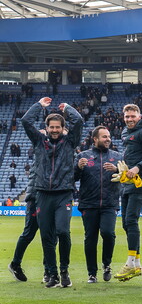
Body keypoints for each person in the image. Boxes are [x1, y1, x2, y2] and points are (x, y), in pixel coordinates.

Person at [21, 97, 84, 288]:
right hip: (43, 194)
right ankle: (53, 274)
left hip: (63, 193)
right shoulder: (39, 141)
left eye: (58, 127)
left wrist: (68, 108)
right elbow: (25, 121)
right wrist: (39, 106)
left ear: (63, 128)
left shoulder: (70, 142)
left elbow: (79, 121)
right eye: (52, 127)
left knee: (63, 232)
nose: (55, 130)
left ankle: (64, 270)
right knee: (47, 237)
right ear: (46, 128)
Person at [113, 104, 142, 282]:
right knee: (126, 223)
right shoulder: (126, 132)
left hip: (141, 181)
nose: (129, 119)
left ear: (139, 116)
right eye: (127, 117)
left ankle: (131, 263)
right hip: (128, 182)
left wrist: (137, 168)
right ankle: (136, 263)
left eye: (133, 116)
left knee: (131, 220)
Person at [75, 126, 122, 284]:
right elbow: (72, 178)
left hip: (110, 203)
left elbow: (126, 177)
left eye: (108, 136)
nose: (108, 139)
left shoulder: (117, 157)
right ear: (95, 139)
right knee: (90, 238)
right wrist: (78, 167)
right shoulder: (83, 156)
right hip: (89, 204)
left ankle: (107, 264)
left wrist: (117, 170)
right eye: (104, 137)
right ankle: (92, 273)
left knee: (108, 233)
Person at [8, 163, 39, 282]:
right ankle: (15, 264)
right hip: (35, 198)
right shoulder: (41, 152)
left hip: (48, 198)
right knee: (28, 234)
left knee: (51, 235)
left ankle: (48, 270)